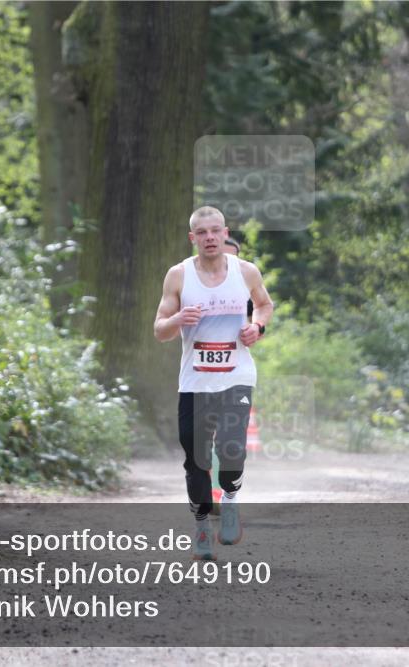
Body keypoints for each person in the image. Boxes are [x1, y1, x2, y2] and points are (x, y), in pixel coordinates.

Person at [154, 206, 273, 560]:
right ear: (193, 238)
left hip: (237, 376)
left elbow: (264, 305)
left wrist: (257, 327)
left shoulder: (246, 271)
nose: (209, 237)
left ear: (225, 233)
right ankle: (202, 526)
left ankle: (231, 502)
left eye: (215, 231)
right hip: (195, 382)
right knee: (196, 458)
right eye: (201, 232)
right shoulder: (178, 276)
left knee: (232, 449)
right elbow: (159, 330)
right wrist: (177, 318)